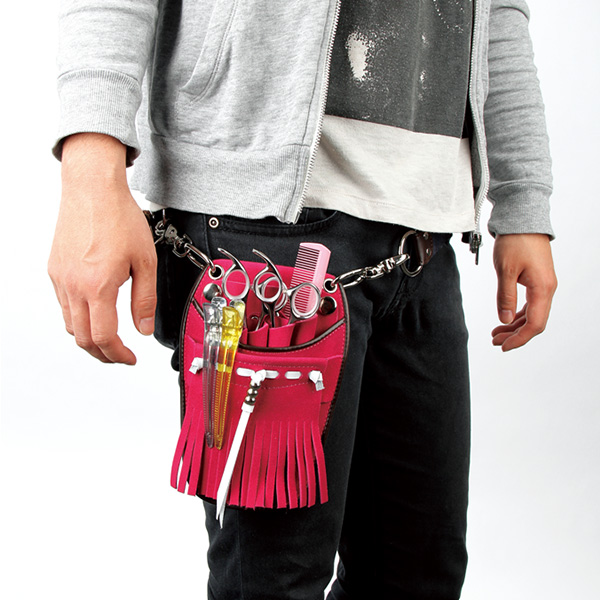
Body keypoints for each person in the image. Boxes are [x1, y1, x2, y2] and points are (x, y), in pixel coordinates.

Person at [48, 1, 557, 598]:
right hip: (261, 221)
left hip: (424, 233)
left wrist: (524, 199)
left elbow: (500, 15)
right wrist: (90, 176)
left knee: (421, 575)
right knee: (275, 582)